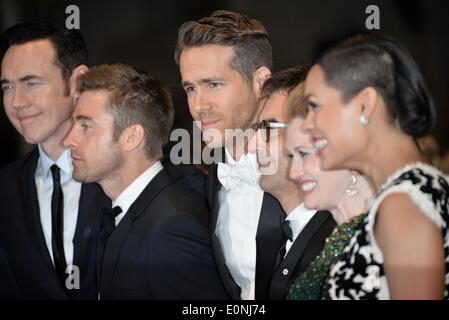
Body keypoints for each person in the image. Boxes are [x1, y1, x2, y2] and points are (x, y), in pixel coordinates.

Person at [63, 63, 229, 299]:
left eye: (85, 126)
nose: (69, 139)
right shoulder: (126, 213)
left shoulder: (172, 229)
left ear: (132, 137)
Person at [302, 34, 449, 299]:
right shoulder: (417, 190)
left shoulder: (404, 203)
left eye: (314, 106)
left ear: (365, 104)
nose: (307, 124)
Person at [175, 10, 285, 300]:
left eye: (214, 84)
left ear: (261, 81)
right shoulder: (211, 178)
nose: (199, 105)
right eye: (190, 88)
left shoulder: (304, 167)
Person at [0, 22, 110, 299]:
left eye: (31, 83)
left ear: (77, 82)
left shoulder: (128, 169)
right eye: (7, 87)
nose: (16, 102)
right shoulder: (5, 189)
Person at [248, 66, 336, 300]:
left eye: (268, 128)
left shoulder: (340, 239)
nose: (253, 145)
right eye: (256, 129)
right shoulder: (282, 233)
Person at [284, 83, 374, 300]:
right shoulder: (341, 234)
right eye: (290, 156)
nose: (294, 172)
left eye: (304, 154)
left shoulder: (381, 236)